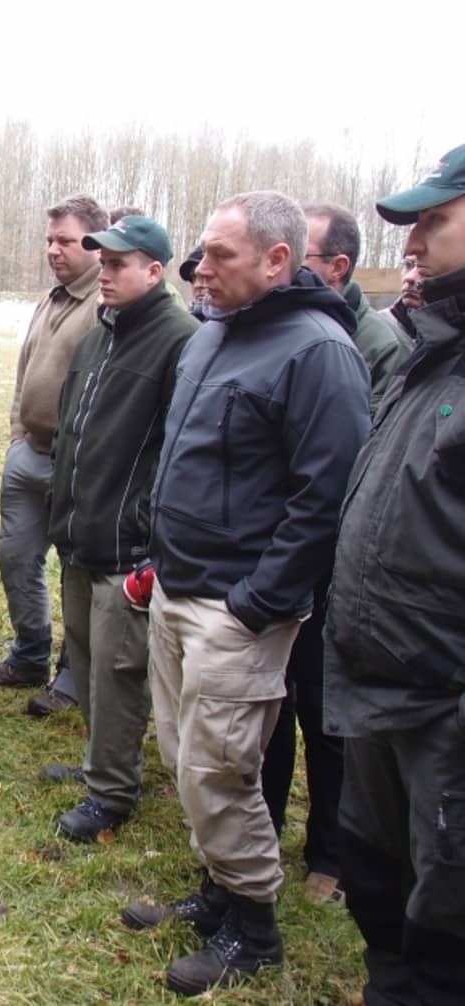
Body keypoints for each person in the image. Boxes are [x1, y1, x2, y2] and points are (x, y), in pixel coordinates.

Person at [120, 191, 370, 995]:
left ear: (277, 260)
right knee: (185, 756)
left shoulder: (318, 351)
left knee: (220, 768)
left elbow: (324, 496)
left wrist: (259, 601)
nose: (200, 268)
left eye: (220, 255)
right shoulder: (212, 337)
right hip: (178, 589)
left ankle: (254, 931)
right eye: (199, 251)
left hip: (238, 606)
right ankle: (217, 891)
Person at [325, 143, 465, 1006]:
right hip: (380, 678)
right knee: (375, 871)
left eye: (435, 224)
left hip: (444, 700)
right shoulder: (430, 356)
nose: (410, 246)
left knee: (446, 905)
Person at [257, 202, 413, 905]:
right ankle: (261, 826)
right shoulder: (283, 326)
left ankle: (330, 854)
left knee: (324, 711)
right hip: (281, 549)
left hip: (336, 560)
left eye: (301, 256)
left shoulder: (374, 342)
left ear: (337, 267)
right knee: (274, 705)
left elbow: (363, 455)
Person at [45, 216, 198, 842]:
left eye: (117, 265)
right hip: (78, 532)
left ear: (154, 271)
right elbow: (71, 430)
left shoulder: (180, 340)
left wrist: (142, 528)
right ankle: (96, 766)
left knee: (117, 669)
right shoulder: (98, 335)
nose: (103, 274)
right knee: (83, 656)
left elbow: (179, 452)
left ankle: (113, 791)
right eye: (101, 264)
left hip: (123, 546)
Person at [0, 195, 106, 718]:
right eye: (50, 240)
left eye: (65, 241)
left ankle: (71, 676)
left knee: (78, 576)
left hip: (77, 468)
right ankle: (28, 655)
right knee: (16, 557)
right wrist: (14, 436)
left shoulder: (105, 301)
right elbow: (25, 373)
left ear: (94, 242)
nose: (53, 250)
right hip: (29, 455)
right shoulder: (51, 299)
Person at [302, 202, 412, 411]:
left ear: (338, 267)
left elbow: (378, 437)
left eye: (300, 254)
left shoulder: (388, 348)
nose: (282, 263)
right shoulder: (274, 326)